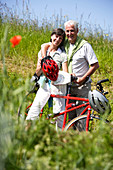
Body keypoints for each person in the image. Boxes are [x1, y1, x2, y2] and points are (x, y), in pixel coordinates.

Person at [41, 20, 99, 130]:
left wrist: (83, 78)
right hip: (68, 86)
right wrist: (44, 57)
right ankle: (71, 141)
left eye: (72, 31)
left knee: (81, 117)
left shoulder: (85, 46)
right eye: (67, 31)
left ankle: (82, 141)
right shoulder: (64, 43)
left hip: (82, 86)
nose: (69, 34)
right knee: (70, 118)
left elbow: (95, 65)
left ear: (77, 31)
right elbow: (46, 45)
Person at [26, 28, 72, 129]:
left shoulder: (62, 54)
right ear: (51, 36)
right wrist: (42, 64)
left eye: (60, 38)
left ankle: (59, 136)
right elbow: (38, 69)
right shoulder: (43, 50)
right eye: (56, 36)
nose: (58, 39)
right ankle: (28, 132)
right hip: (45, 84)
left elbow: (65, 72)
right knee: (34, 109)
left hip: (57, 85)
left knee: (59, 114)